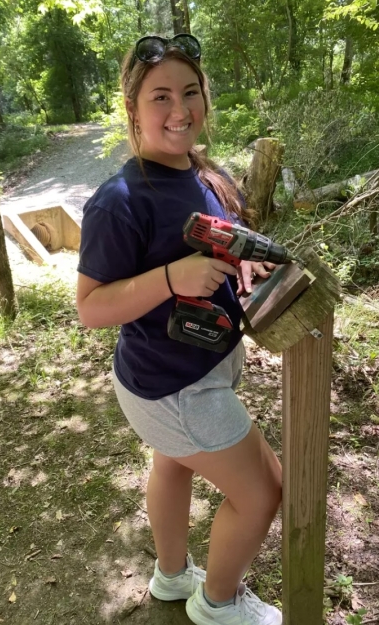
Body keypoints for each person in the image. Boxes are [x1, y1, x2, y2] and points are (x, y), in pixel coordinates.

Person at [76, 33, 283, 625]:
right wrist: (171, 278)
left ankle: (171, 577)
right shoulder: (118, 201)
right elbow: (91, 308)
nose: (179, 110)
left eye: (190, 92)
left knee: (173, 462)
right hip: (174, 387)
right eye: (160, 97)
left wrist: (243, 263)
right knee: (264, 491)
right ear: (133, 109)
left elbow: (222, 244)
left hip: (188, 371)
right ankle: (217, 604)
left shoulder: (203, 174)